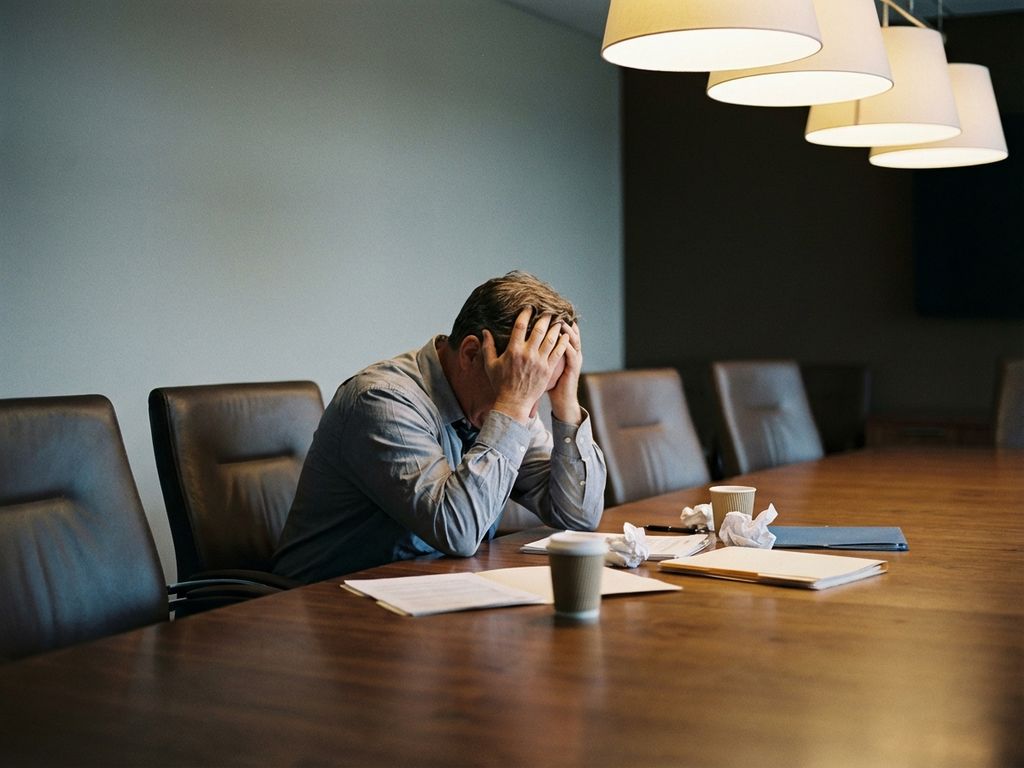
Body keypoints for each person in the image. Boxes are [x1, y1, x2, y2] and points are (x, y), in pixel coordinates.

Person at [273, 271, 607, 583]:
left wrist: (565, 404)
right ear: (472, 354)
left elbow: (578, 517)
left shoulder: (507, 403)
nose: (532, 411)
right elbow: (457, 532)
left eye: (541, 390)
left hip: (430, 599)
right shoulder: (381, 401)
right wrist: (514, 402)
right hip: (326, 610)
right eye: (526, 386)